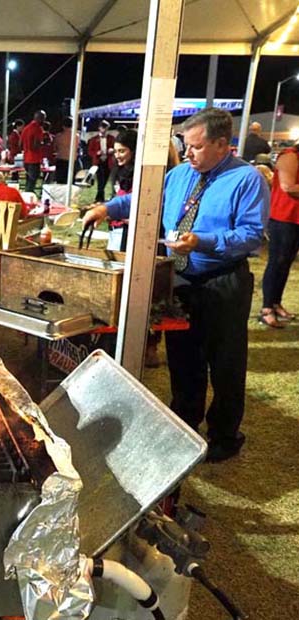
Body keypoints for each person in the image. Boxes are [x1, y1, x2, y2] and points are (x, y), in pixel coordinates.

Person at [83, 108, 269, 463]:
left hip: (223, 281)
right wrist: (109, 208)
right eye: (186, 145)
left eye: (196, 147)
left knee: (226, 363)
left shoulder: (247, 179)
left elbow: (250, 236)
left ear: (221, 144)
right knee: (184, 359)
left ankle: (224, 435)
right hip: (180, 279)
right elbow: (147, 201)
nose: (188, 154)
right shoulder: (179, 174)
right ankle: (184, 424)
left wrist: (203, 241)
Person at [259, 141, 299, 327]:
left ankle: (276, 303)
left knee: (286, 263)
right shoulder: (290, 155)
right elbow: (288, 187)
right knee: (277, 262)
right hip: (283, 217)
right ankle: (266, 308)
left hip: (295, 219)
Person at [87, 119, 115, 202]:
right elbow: (90, 151)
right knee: (100, 179)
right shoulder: (94, 139)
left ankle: (99, 196)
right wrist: (97, 153)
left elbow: (115, 147)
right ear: (99, 128)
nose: (105, 130)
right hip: (98, 161)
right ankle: (100, 197)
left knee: (105, 179)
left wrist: (112, 150)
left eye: (106, 128)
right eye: (103, 128)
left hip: (108, 161)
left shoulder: (111, 138)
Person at [22, 110, 46, 194]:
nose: (44, 120)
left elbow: (20, 143)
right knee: (32, 182)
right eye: (43, 118)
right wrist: (43, 143)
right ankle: (29, 199)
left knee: (28, 181)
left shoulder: (26, 128)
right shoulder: (38, 129)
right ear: (40, 118)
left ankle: (26, 196)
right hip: (34, 159)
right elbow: (35, 145)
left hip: (26, 158)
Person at [53, 117, 74, 184]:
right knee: (70, 182)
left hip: (61, 159)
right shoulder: (76, 136)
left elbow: (55, 148)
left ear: (63, 126)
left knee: (60, 182)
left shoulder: (58, 136)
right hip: (72, 160)